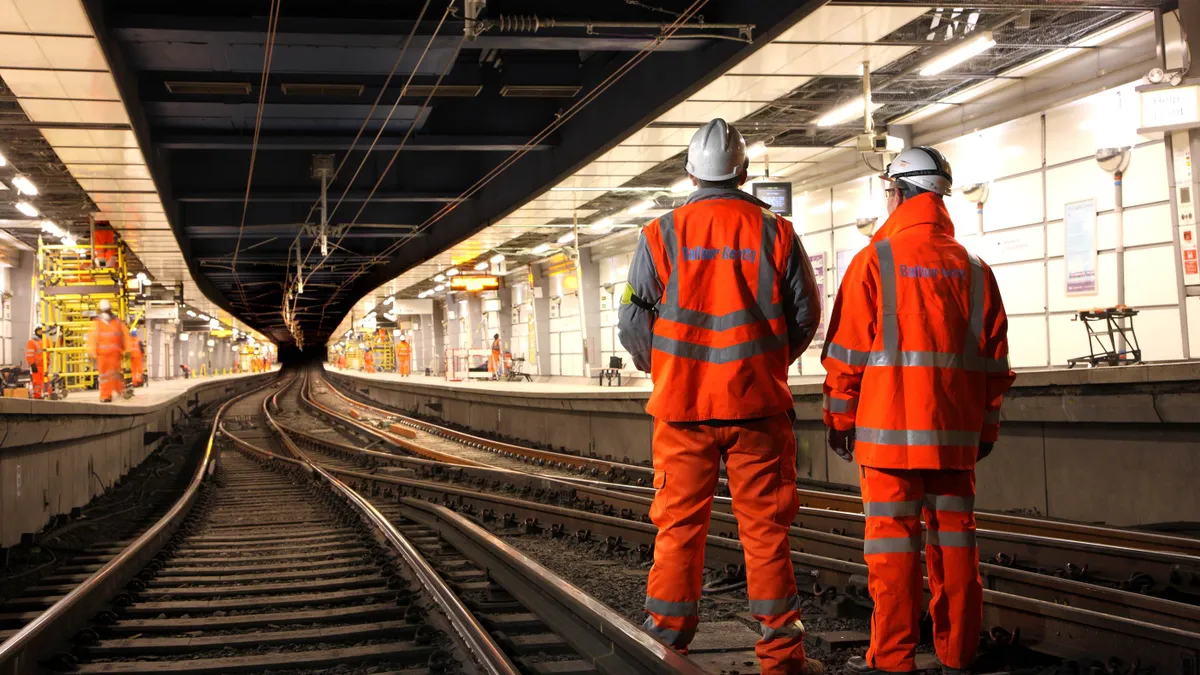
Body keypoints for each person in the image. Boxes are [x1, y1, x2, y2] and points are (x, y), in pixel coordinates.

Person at [618, 118, 823, 675]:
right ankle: (782, 657)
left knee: (679, 527)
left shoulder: (659, 234)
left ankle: (666, 647)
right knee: (766, 532)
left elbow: (633, 319)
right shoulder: (777, 232)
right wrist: (767, 363)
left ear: (689, 173)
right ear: (745, 172)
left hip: (683, 412)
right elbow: (805, 315)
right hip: (759, 409)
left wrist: (665, 369)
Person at [822, 147, 1015, 675]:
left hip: (886, 442)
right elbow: (994, 363)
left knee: (893, 552)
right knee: (956, 546)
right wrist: (985, 430)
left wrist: (840, 420)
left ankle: (893, 658)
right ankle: (958, 652)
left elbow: (846, 357)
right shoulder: (976, 270)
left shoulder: (873, 262)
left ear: (899, 194)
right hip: (955, 440)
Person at [86, 299, 133, 402]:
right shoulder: (99, 323)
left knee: (113, 374)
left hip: (113, 354)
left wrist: (127, 350)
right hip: (104, 355)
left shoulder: (116, 322)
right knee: (104, 376)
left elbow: (125, 336)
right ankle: (106, 395)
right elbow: (92, 338)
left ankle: (118, 390)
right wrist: (92, 352)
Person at [25, 325, 45, 399]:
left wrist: (62, 339)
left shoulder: (46, 341)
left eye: (41, 331)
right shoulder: (32, 342)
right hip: (37, 365)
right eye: (39, 331)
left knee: (45, 381)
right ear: (36, 332)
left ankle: (47, 394)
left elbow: (54, 346)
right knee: (37, 382)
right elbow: (29, 354)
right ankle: (37, 395)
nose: (40, 332)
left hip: (45, 365)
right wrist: (32, 364)